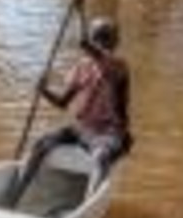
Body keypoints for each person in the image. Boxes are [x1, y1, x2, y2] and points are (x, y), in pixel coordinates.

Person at [8, 17, 133, 206]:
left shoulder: (118, 65)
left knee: (101, 157)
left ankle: (86, 208)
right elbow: (63, 102)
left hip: (109, 131)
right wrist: (44, 91)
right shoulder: (82, 66)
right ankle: (14, 197)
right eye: (98, 37)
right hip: (82, 129)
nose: (102, 43)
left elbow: (90, 48)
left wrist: (81, 14)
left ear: (114, 42)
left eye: (106, 38)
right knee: (41, 143)